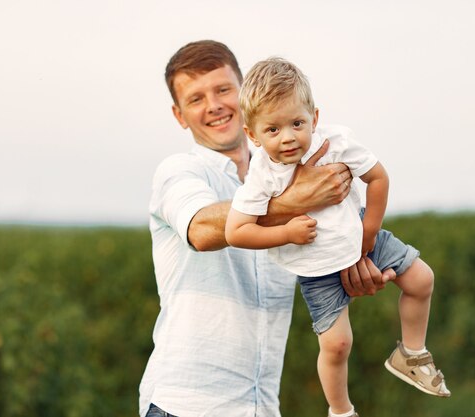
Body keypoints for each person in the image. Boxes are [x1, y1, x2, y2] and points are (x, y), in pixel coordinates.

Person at [139, 40, 388, 417]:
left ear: (244, 94)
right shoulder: (179, 172)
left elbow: (331, 240)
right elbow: (201, 228)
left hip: (261, 406)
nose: (214, 105)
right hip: (186, 405)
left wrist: (355, 263)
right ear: (179, 116)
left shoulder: (293, 166)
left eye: (223, 89)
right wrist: (296, 201)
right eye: (196, 99)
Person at [225, 58, 450, 417]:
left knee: (422, 279)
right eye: (272, 130)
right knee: (337, 344)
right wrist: (285, 231)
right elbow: (235, 231)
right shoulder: (262, 174)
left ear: (314, 118)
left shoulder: (336, 143)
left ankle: (412, 353)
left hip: (359, 230)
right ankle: (341, 411)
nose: (287, 137)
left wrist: (369, 233)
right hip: (314, 266)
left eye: (297, 123)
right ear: (252, 135)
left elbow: (378, 178)